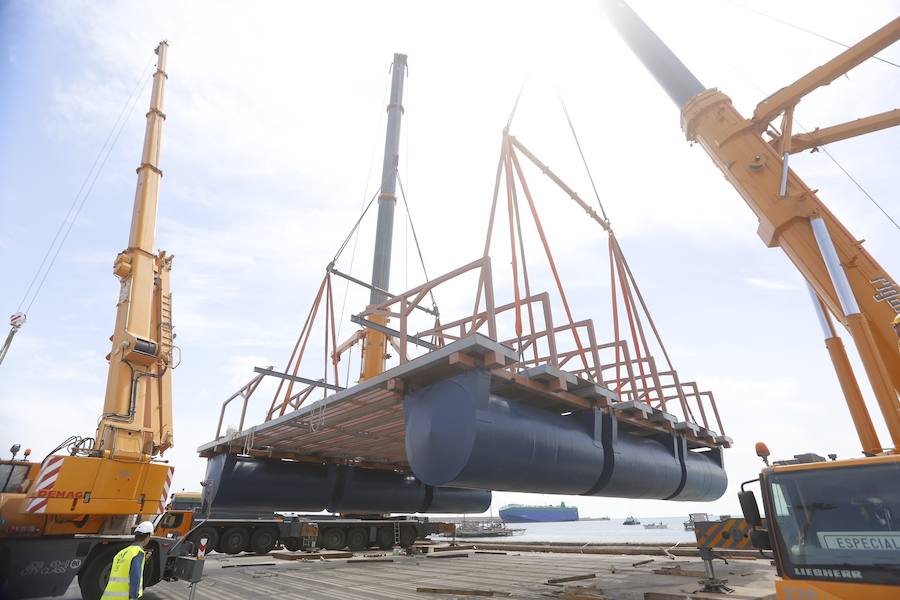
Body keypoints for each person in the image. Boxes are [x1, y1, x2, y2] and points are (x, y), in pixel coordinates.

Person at [101, 521, 154, 599]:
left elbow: (122, 570)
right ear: (148, 536)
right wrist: (134, 596)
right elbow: (135, 577)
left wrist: (143, 559)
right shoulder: (138, 553)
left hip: (108, 596)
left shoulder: (122, 552)